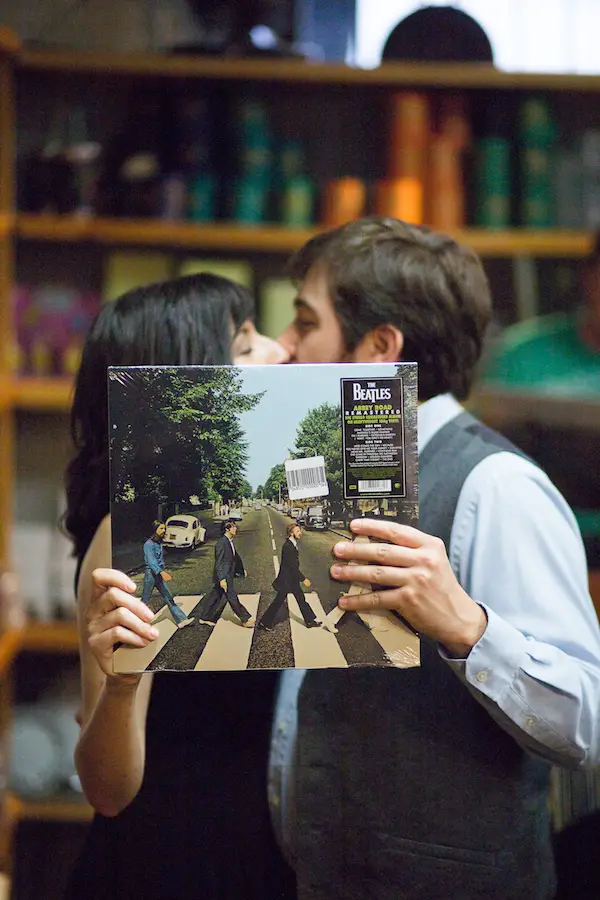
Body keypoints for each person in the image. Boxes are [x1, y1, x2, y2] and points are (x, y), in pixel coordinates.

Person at [265, 217, 600, 900]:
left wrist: (469, 628)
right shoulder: (321, 470)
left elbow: (587, 724)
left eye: (304, 324)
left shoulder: (498, 488)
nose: (284, 347)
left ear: (379, 348)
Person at [63, 273, 295, 900]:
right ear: (188, 384)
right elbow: (108, 792)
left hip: (260, 855)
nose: (279, 350)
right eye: (246, 346)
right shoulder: (128, 538)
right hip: (169, 863)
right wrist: (120, 686)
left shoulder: (241, 509)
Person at [258, 522, 320, 632]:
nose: (300, 533)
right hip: (287, 580)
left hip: (292, 580)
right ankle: (264, 622)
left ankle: (310, 620)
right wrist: (303, 579)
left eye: (299, 531)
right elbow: (292, 567)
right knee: (278, 602)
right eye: (297, 531)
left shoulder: (292, 544)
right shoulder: (288, 547)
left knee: (301, 599)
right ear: (291, 533)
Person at [196, 519, 254, 627]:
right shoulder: (222, 543)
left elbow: (234, 558)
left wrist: (241, 571)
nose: (236, 528)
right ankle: (245, 619)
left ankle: (204, 617)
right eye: (233, 527)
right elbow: (219, 563)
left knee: (215, 596)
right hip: (224, 576)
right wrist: (222, 579)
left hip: (227, 574)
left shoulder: (228, 541)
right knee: (232, 597)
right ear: (227, 529)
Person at [142, 520, 194, 629]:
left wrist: (162, 571)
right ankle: (135, 623)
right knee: (145, 600)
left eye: (164, 528)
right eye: (161, 528)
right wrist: (161, 572)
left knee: (168, 596)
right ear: (154, 530)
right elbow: (151, 562)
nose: (164, 530)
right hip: (151, 574)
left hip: (159, 573)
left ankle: (181, 620)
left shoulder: (159, 542)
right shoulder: (148, 544)